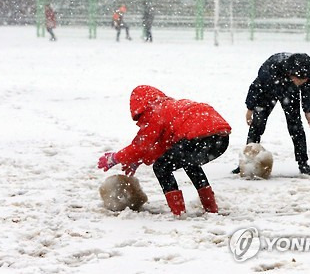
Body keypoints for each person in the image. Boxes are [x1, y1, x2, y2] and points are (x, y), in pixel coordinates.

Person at [97, 85, 231, 215]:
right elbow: (164, 146)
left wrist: (115, 158)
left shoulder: (156, 111)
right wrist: (139, 160)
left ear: (141, 107)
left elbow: (140, 146)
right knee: (189, 163)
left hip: (198, 138)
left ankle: (178, 212)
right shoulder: (171, 109)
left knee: (161, 167)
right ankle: (210, 207)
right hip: (220, 140)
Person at [232, 53, 310, 175]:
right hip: (268, 90)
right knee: (257, 124)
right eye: (298, 79)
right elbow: (256, 86)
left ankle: (303, 163)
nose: (300, 83)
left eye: (303, 80)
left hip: (289, 92)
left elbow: (308, 89)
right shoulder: (270, 69)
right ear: (290, 73)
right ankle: (247, 162)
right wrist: (250, 108)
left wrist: (307, 111)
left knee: (296, 127)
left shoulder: (306, 71)